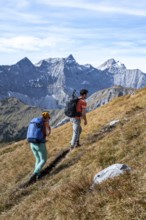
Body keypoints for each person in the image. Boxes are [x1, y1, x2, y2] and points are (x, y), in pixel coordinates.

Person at [28, 112, 51, 183]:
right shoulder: (45, 123)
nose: (49, 119)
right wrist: (48, 127)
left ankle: (38, 174)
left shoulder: (35, 122)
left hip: (31, 143)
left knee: (37, 159)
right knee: (43, 159)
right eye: (48, 118)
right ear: (47, 118)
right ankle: (35, 174)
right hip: (39, 143)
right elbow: (47, 133)